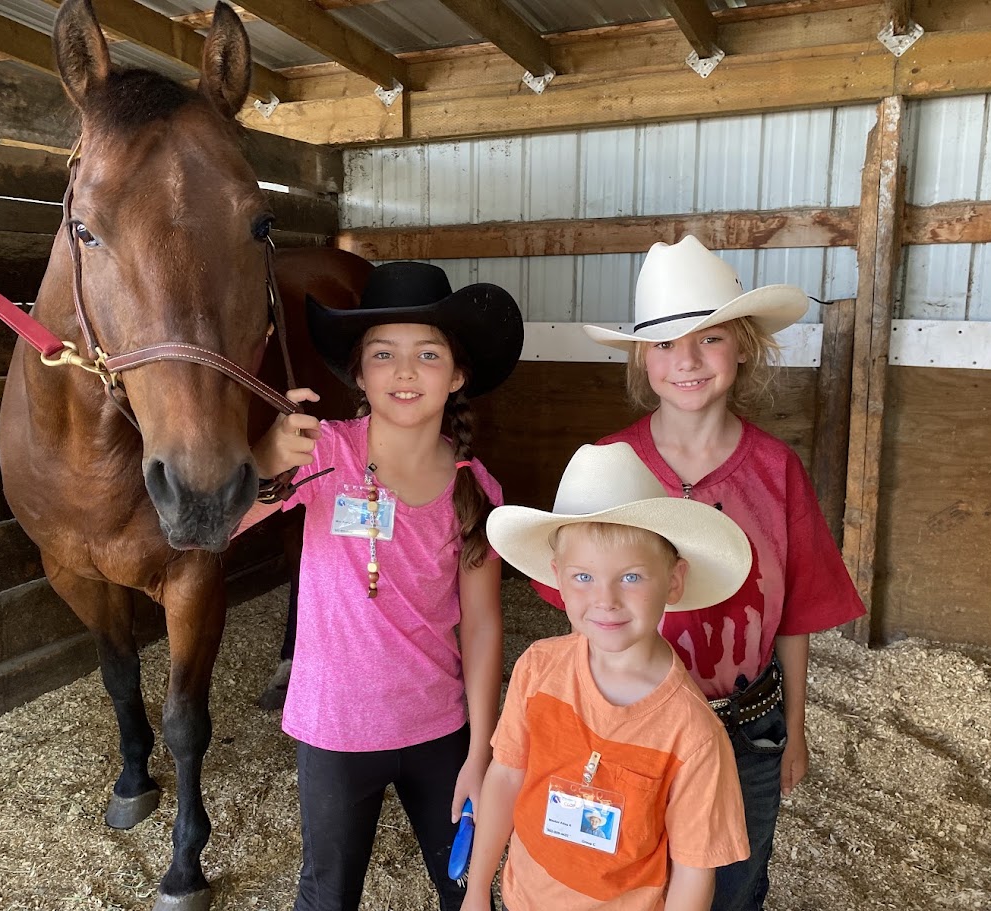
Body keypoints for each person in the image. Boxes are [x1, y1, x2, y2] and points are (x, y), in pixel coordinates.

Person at [538, 235, 866, 910]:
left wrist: (794, 727)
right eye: (663, 343)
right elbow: (579, 613)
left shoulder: (775, 470)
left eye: (709, 338)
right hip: (626, 721)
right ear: (643, 359)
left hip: (745, 725)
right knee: (627, 879)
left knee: (731, 882)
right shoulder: (605, 466)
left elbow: (795, 614)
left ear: (742, 346)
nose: (686, 360)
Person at [242, 261, 524, 911]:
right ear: (359, 374)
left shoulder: (474, 487)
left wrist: (481, 751)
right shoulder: (319, 453)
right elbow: (217, 527)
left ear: (457, 376)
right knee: (327, 893)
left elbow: (482, 625)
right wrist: (264, 459)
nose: (404, 371)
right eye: (383, 354)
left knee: (464, 886)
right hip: (334, 729)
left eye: (428, 354)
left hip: (439, 727)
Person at [462, 442, 753, 911]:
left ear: (674, 580)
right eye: (583, 577)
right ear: (558, 577)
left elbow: (693, 871)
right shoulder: (537, 668)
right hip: (523, 899)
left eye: (631, 577)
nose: (606, 600)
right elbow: (505, 776)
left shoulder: (693, 734)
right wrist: (477, 890)